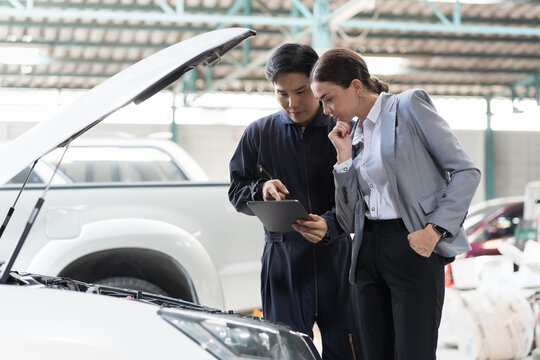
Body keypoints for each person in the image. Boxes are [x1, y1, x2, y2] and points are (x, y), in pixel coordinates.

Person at [309, 48, 481, 360]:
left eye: (329, 98)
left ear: (356, 86)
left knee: (413, 353)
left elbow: (467, 171)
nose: (325, 109)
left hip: (413, 245)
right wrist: (343, 157)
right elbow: (348, 221)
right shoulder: (353, 133)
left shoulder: (408, 106)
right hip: (366, 252)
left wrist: (435, 230)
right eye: (321, 101)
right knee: (375, 354)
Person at [228, 43, 362, 360]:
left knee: (350, 348)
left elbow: (364, 195)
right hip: (282, 260)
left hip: (339, 259)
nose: (292, 103)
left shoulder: (345, 130)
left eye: (301, 91)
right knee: (285, 350)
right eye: (282, 93)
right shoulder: (258, 134)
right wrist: (260, 190)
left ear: (316, 84)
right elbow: (236, 191)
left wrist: (330, 225)